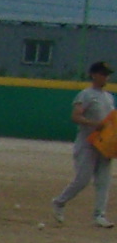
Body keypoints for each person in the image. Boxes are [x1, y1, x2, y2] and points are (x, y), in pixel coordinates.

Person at [48, 58, 115, 226]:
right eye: (103, 74)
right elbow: (75, 116)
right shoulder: (86, 94)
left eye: (107, 75)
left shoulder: (109, 97)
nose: (106, 78)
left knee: (104, 181)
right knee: (82, 179)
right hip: (87, 143)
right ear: (93, 75)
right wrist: (95, 125)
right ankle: (59, 201)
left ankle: (99, 215)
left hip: (104, 144)